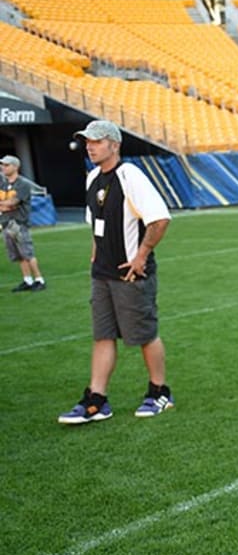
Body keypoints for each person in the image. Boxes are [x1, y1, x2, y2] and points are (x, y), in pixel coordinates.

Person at [58, 120, 175, 425]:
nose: (90, 146)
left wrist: (142, 256)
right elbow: (96, 223)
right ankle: (97, 399)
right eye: (87, 142)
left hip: (130, 273)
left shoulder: (130, 175)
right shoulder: (93, 177)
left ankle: (160, 391)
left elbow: (160, 219)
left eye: (96, 141)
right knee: (103, 335)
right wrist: (96, 255)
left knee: (144, 333)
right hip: (103, 273)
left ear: (114, 144)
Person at [0, 154, 46, 292]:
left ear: (15, 167)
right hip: (6, 223)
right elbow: (7, 205)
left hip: (19, 223)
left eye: (6, 165)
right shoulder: (3, 183)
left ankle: (39, 279)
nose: (3, 167)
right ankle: (27, 279)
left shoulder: (23, 184)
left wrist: (6, 205)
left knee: (27, 253)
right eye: (2, 165)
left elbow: (13, 203)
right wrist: (5, 205)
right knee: (18, 255)